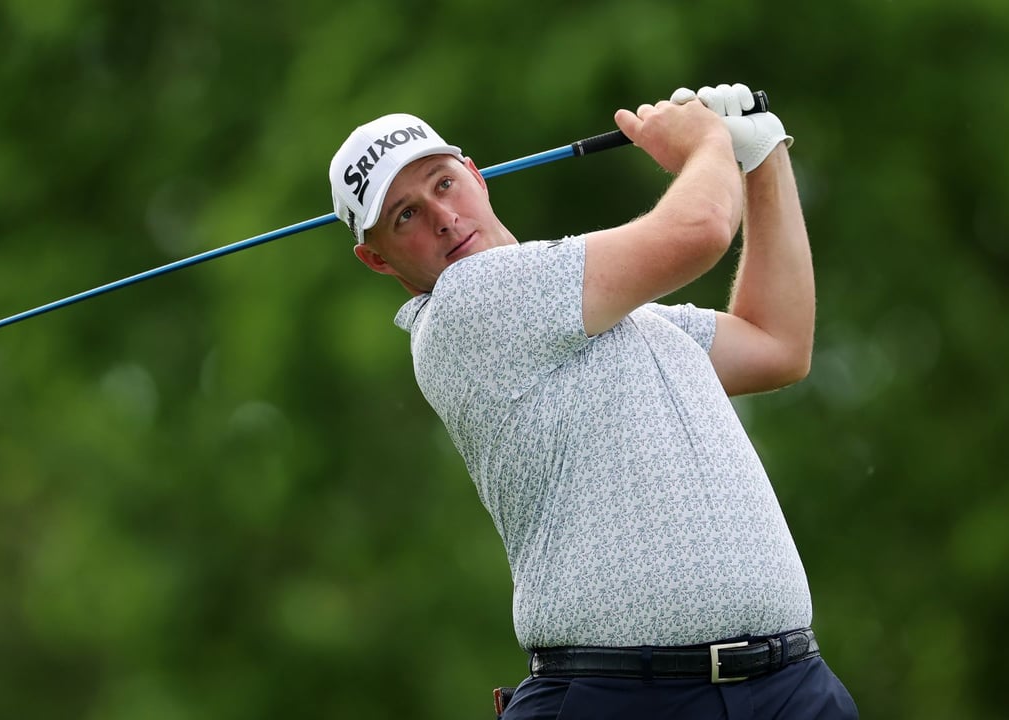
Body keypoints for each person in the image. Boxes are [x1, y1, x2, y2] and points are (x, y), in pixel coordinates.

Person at [328, 83, 858, 719]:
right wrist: (707, 142)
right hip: (623, 697)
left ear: (476, 175)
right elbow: (700, 229)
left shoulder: (627, 319)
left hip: (790, 688)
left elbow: (778, 344)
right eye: (404, 215)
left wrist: (763, 155)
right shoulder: (467, 307)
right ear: (376, 259)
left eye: (442, 184)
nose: (441, 215)